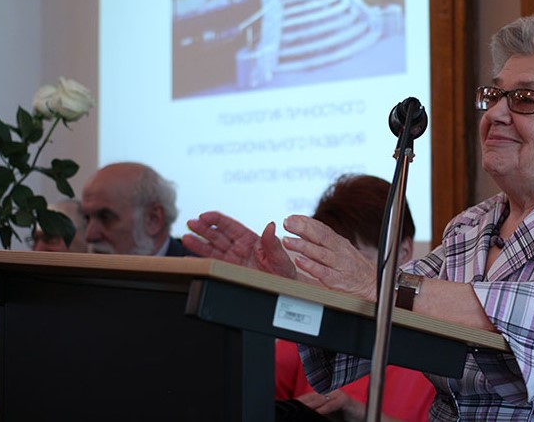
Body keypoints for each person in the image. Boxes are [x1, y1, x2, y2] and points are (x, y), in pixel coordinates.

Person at [185, 16, 534, 420]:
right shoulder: (472, 226)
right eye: (494, 96)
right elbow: (371, 332)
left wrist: (382, 287)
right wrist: (284, 285)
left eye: (526, 100)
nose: (495, 114)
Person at [184, 174, 435, 421]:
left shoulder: (435, 342)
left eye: (354, 259)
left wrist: (361, 414)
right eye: (327, 258)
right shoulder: (311, 326)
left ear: (403, 252)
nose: (335, 274)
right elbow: (252, 400)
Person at [82, 162, 194, 256]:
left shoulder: (197, 270)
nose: (90, 235)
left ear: (153, 220)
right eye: (87, 219)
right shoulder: (81, 272)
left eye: (106, 218)